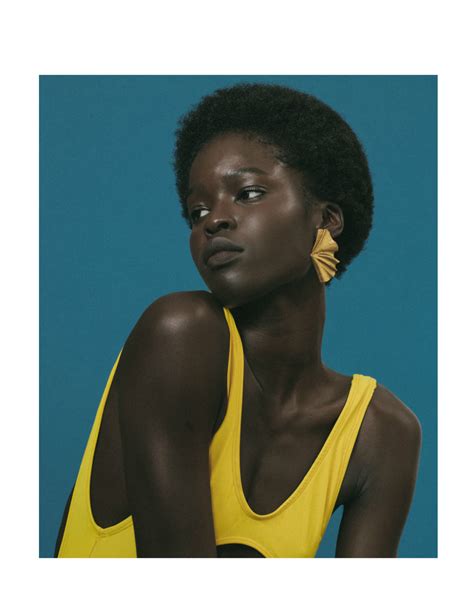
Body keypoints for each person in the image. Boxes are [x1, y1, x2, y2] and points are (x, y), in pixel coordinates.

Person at [55, 83, 422, 558]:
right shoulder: (180, 334)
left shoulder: (379, 432)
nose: (213, 221)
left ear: (326, 219)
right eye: (198, 211)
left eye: (247, 193)